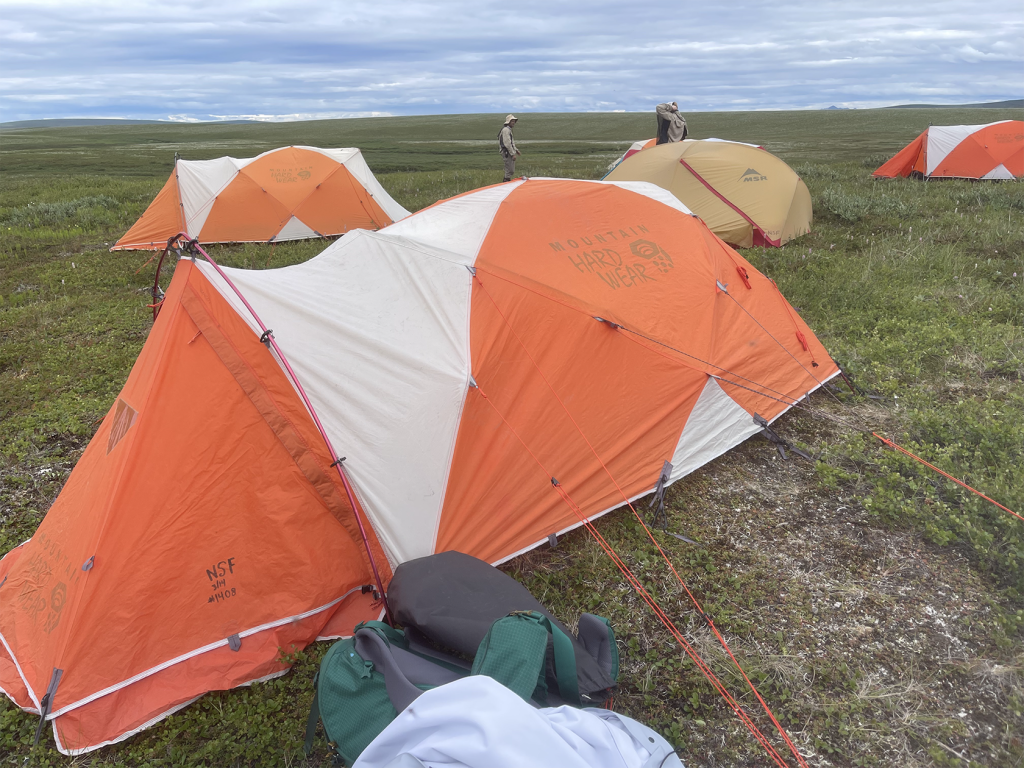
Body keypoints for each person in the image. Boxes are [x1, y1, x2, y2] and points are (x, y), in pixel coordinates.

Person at [498, 114, 520, 181]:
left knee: (511, 170)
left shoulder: (508, 130)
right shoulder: (506, 130)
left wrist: (516, 150)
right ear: (508, 122)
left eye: (514, 121)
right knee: (509, 170)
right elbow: (507, 143)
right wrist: (513, 154)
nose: (513, 123)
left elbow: (511, 142)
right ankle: (506, 182)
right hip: (506, 152)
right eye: (512, 121)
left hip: (508, 152)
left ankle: (507, 181)